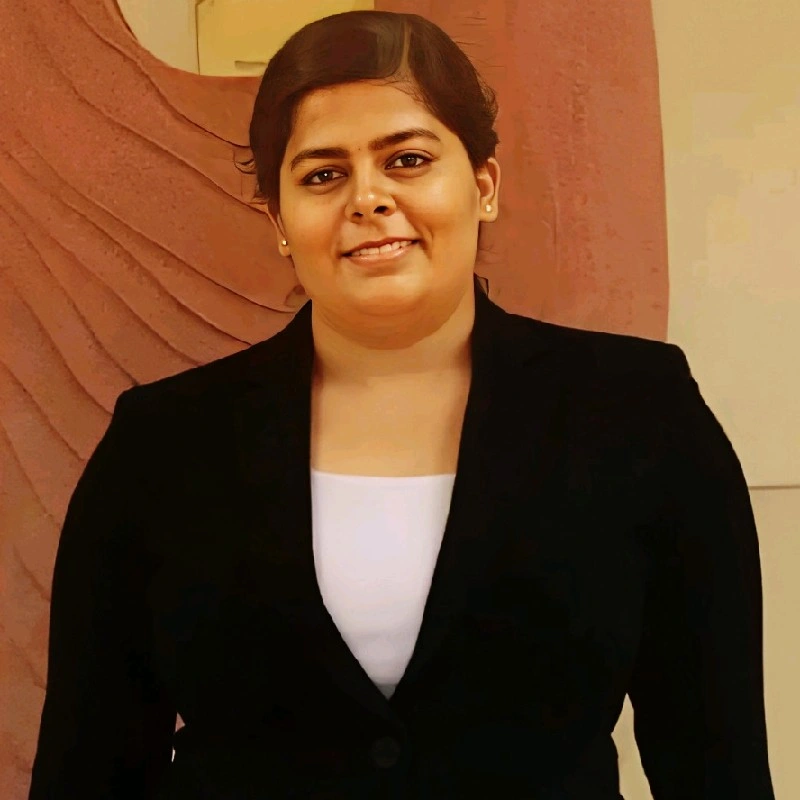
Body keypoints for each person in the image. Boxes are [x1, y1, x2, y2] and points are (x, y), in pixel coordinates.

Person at [28, 10, 775, 800]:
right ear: (279, 220)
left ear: (483, 184)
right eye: (322, 174)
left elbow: (715, 761)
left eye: (408, 159)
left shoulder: (638, 414)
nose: (368, 198)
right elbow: (91, 769)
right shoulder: (161, 446)